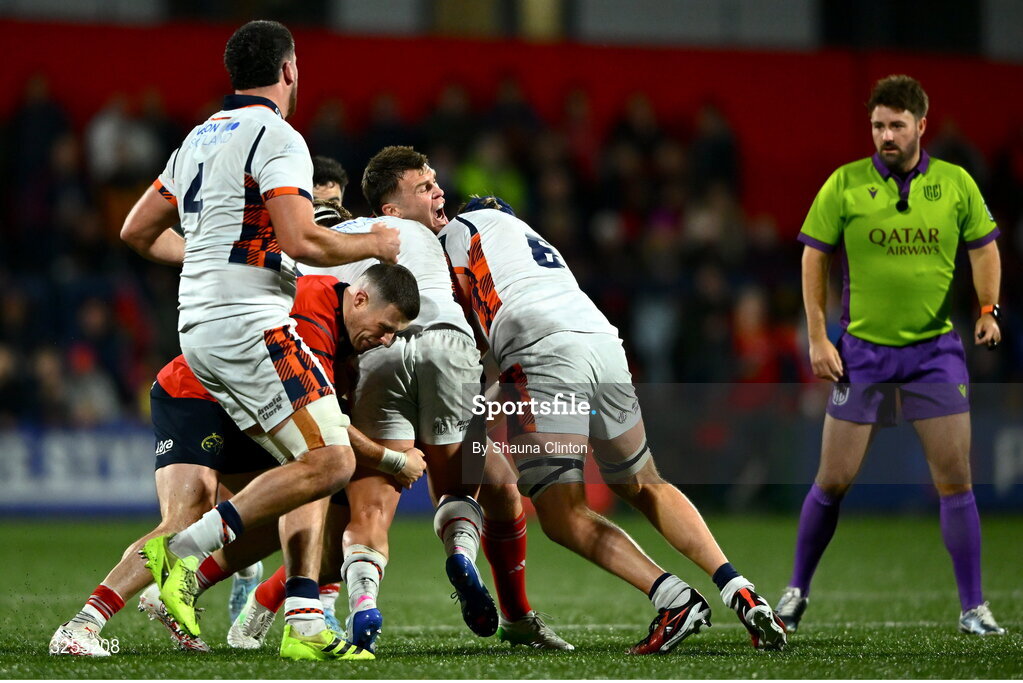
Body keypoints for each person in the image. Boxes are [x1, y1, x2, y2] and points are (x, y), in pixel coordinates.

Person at [371, 150, 786, 652]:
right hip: (601, 341)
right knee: (643, 482)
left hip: (543, 349)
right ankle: (737, 587)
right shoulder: (518, 234)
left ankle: (673, 598)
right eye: (425, 186)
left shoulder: (441, 247)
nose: (439, 191)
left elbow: (467, 350)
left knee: (563, 514)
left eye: (436, 183)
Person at [117, 20, 399, 662]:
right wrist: (374, 244)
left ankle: (302, 620)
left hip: (201, 328)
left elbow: (137, 231)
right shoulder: (278, 136)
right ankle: (179, 558)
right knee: (331, 461)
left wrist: (210, 262)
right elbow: (304, 240)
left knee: (304, 466)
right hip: (253, 326)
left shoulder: (197, 138)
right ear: (291, 70)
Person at [49, 266, 425, 657]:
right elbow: (327, 429)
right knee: (185, 519)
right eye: (385, 327)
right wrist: (393, 461)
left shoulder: (345, 338)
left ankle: (195, 590)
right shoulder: (312, 312)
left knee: (288, 499)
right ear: (360, 298)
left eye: (394, 333)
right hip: (196, 395)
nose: (386, 340)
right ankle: (82, 625)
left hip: (248, 414)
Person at [775, 75, 1005, 637]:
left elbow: (986, 248)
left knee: (956, 481)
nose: (885, 135)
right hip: (862, 357)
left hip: (934, 355)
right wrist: (817, 336)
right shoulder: (845, 185)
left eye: (897, 125)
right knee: (831, 480)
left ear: (921, 125)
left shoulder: (955, 185)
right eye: (878, 125)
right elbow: (813, 259)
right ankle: (795, 591)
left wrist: (987, 309)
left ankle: (973, 608)